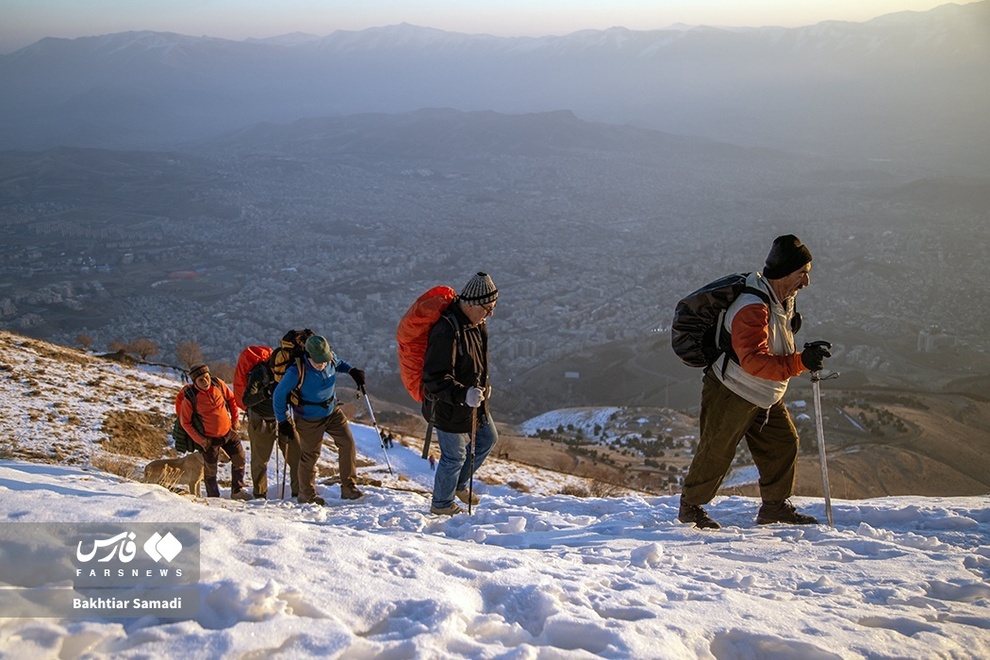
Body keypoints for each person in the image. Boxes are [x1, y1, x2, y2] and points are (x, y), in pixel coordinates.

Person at [678, 235, 832, 529]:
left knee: (783, 443)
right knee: (717, 449)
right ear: (786, 272)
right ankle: (691, 508)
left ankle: (775, 507)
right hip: (734, 389)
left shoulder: (780, 297)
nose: (806, 282)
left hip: (764, 391)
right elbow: (753, 361)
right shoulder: (753, 307)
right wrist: (801, 361)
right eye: (803, 274)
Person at [422, 271, 500, 515]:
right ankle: (441, 505)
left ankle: (459, 485)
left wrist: (482, 386)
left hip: (474, 400)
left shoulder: (477, 325)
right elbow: (434, 378)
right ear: (471, 304)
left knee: (488, 438)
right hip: (447, 406)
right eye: (487, 308)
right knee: (453, 456)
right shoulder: (446, 330)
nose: (491, 314)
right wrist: (463, 394)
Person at [272, 334, 367, 505]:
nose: (322, 364)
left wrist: (351, 371)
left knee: (347, 443)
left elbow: (340, 363)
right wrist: (282, 421)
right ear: (308, 356)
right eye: (318, 362)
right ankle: (306, 494)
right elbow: (278, 395)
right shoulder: (296, 371)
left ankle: (349, 487)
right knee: (310, 455)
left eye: (324, 360)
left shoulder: (328, 358)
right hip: (309, 419)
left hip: (332, 411)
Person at [178, 363, 250, 500]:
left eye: (206, 377)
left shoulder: (218, 384)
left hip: (228, 432)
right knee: (210, 470)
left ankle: (237, 490)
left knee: (239, 458)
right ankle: (213, 497)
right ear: (194, 382)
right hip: (209, 439)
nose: (205, 381)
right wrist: (201, 441)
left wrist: (235, 419)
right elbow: (185, 422)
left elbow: (231, 399)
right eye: (200, 380)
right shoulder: (190, 397)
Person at [242, 357, 301, 499]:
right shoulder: (259, 373)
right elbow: (247, 399)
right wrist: (266, 393)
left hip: (281, 416)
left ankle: (299, 491)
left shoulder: (288, 372)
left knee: (297, 452)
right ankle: (260, 495)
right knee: (260, 460)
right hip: (261, 419)